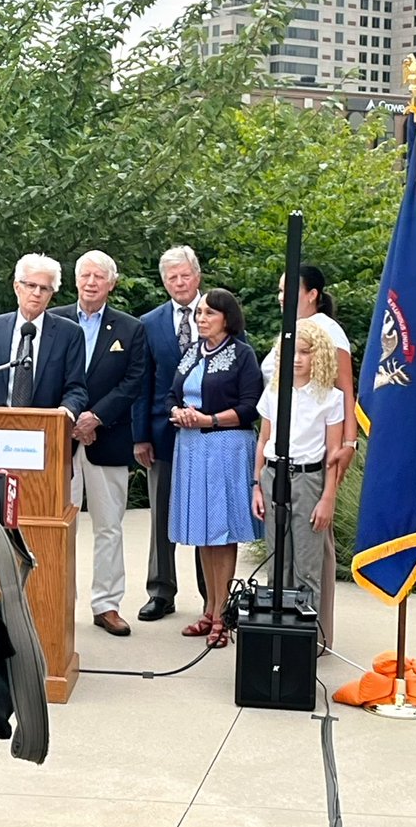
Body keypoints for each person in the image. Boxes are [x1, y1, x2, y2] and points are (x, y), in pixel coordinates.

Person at [261, 263, 357, 647]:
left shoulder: (326, 330)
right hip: (278, 460)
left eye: (289, 290)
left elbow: (345, 390)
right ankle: (279, 634)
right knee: (282, 556)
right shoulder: (289, 329)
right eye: (280, 290)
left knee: (313, 554)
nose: (282, 296)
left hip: (317, 458)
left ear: (312, 293)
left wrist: (347, 445)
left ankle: (313, 639)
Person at [50, 250, 145, 636]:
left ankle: (106, 604)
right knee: (58, 524)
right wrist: (72, 418)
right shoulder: (54, 321)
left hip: (108, 437)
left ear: (112, 283)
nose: (91, 282)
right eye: (84, 275)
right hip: (60, 439)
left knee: (109, 526)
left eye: (98, 277)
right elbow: (45, 374)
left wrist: (95, 417)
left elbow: (133, 381)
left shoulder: (130, 328)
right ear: (74, 280)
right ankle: (57, 601)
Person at [165, 289, 263, 649]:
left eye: (209, 313)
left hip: (226, 445)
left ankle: (223, 614)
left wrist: (208, 419)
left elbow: (251, 406)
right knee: (203, 532)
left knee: (222, 532)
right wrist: (177, 412)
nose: (201, 318)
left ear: (227, 317)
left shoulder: (242, 355)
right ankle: (209, 608)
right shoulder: (192, 352)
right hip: (190, 447)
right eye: (199, 313)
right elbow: (172, 394)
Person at [131, 245, 207, 622]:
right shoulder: (149, 322)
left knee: (208, 514)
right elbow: (142, 382)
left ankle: (214, 594)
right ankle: (161, 591)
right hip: (161, 433)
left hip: (210, 433)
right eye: (171, 278)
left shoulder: (218, 313)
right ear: (164, 282)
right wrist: (139, 435)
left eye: (185, 275)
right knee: (160, 513)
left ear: (198, 276)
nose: (179, 283)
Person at [253, 321, 344, 618]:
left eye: (304, 352)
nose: (297, 358)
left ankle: (307, 639)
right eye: (291, 352)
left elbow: (333, 452)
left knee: (307, 564)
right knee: (277, 561)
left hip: (309, 479)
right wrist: (256, 484)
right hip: (273, 477)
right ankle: (276, 634)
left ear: (317, 356)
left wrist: (328, 496)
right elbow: (263, 439)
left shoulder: (331, 398)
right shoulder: (274, 392)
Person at [0, 253, 88, 418]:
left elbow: (76, 388)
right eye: (30, 285)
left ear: (51, 294)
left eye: (44, 288)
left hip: (47, 430)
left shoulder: (69, 333)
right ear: (16, 286)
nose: (36, 293)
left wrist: (66, 411)